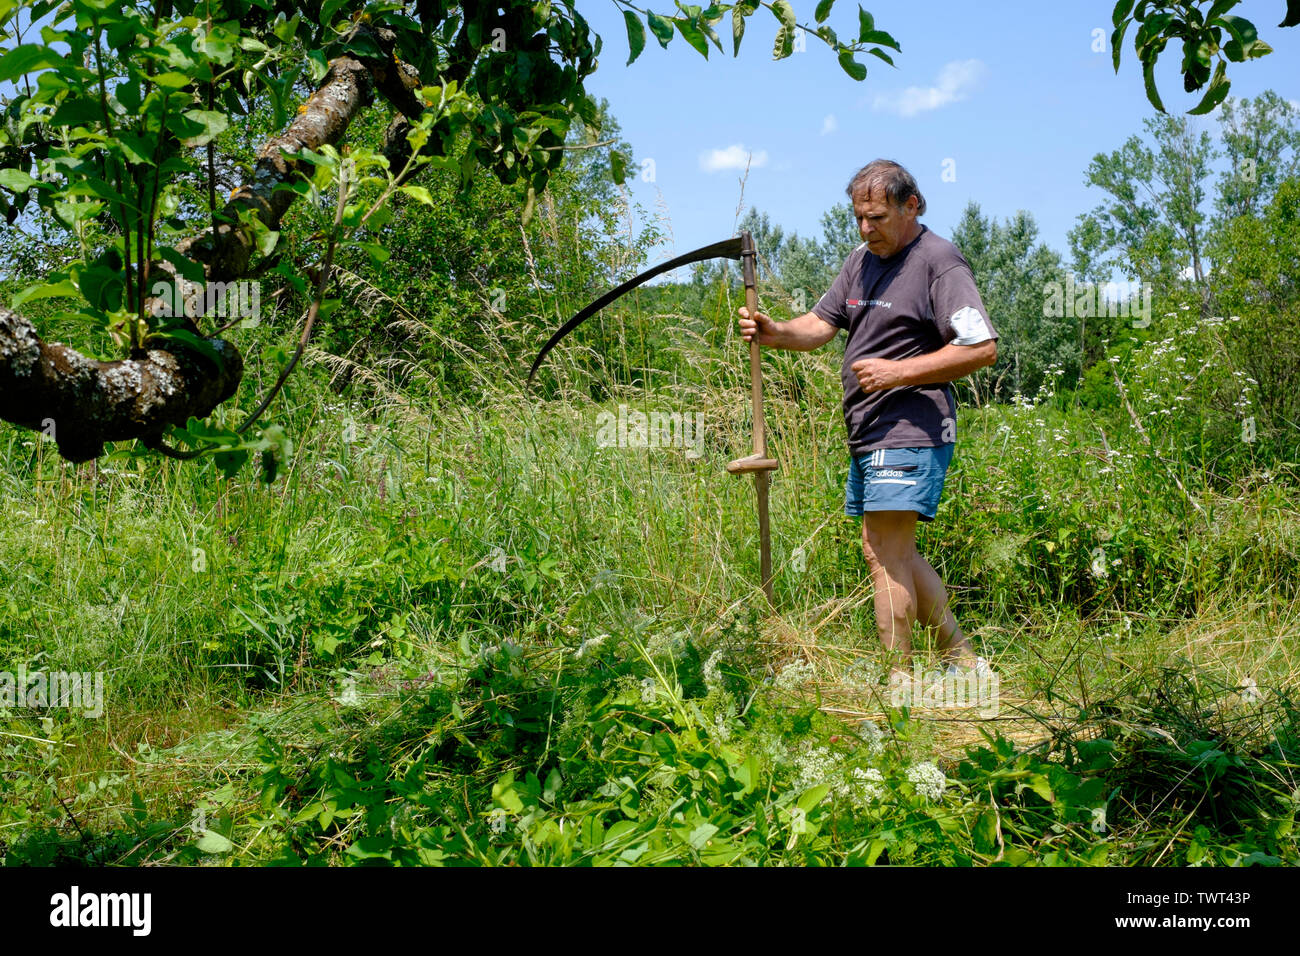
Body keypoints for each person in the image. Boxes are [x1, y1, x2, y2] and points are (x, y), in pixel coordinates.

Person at [737, 159, 997, 686]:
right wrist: (774, 330)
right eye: (858, 217)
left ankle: (896, 686)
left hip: (912, 428)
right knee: (890, 549)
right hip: (869, 429)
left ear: (912, 205)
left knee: (883, 553)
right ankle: (963, 663)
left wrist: (898, 373)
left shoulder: (938, 261)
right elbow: (820, 325)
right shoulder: (861, 260)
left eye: (876, 217)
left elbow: (982, 347)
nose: (865, 228)